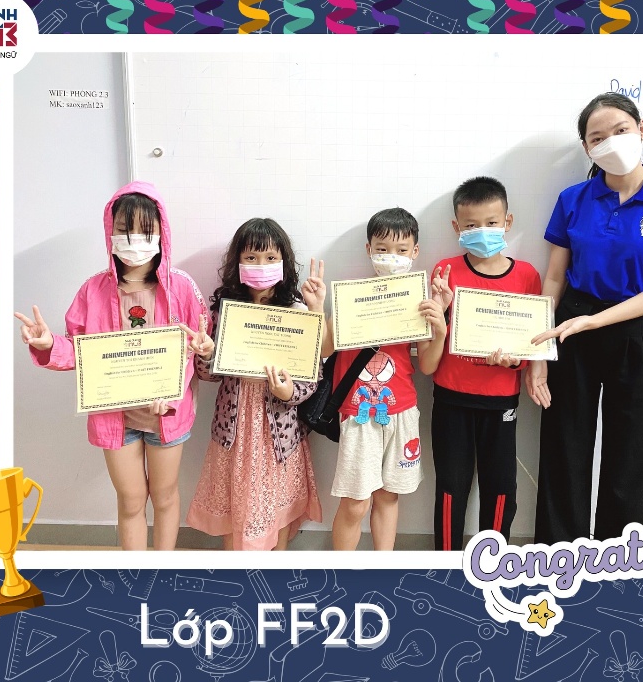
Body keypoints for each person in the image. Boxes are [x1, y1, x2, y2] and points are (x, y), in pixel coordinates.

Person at [528, 91, 643, 544]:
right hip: (571, 326)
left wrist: (597, 321)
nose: (610, 141)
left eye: (620, 130)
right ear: (587, 148)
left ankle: (622, 558)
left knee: (633, 455)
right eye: (597, 137)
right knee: (564, 450)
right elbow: (554, 278)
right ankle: (559, 555)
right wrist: (538, 355)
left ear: (641, 129)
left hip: (636, 331)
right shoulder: (573, 199)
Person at [14, 181, 212, 551]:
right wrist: (48, 344)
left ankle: (162, 570)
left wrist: (196, 358)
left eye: (145, 231)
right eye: (124, 230)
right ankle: (135, 571)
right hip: (115, 416)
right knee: (131, 501)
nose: (134, 240)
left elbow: (196, 344)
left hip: (167, 414)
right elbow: (80, 351)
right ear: (111, 232)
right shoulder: (93, 290)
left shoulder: (182, 288)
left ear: (161, 233)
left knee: (165, 497)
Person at [302, 208, 449, 550]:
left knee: (388, 496)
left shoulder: (418, 299)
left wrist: (440, 327)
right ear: (369, 249)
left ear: (415, 251)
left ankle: (383, 568)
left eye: (401, 250)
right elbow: (324, 349)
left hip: (402, 410)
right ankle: (343, 572)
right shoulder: (352, 296)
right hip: (358, 413)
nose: (391, 256)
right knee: (356, 502)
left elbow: (427, 365)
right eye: (382, 249)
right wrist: (317, 308)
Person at [186, 218, 322, 551]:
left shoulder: (297, 310)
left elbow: (312, 375)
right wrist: (207, 354)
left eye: (270, 257)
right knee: (235, 509)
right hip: (234, 432)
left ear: (284, 262)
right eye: (251, 257)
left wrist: (289, 392)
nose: (261, 265)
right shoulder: (224, 311)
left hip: (279, 433)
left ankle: (275, 573)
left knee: (278, 511)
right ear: (238, 262)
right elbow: (210, 375)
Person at [424, 176, 542, 551]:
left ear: (508, 222)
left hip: (501, 399)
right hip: (451, 397)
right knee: (451, 486)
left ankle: (494, 560)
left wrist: (515, 361)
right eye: (472, 225)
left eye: (491, 223)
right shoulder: (445, 271)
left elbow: (531, 342)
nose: (482, 231)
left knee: (501, 486)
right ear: (457, 227)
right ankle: (445, 563)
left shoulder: (527, 275)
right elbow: (433, 335)